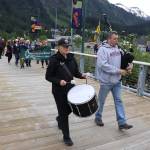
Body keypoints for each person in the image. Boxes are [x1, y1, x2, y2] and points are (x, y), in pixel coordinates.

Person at [45, 38, 86, 146]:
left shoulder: (71, 58)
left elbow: (76, 72)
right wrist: (59, 81)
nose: (67, 48)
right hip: (59, 91)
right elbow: (48, 76)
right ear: (58, 47)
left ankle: (59, 118)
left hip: (71, 88)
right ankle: (66, 137)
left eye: (68, 46)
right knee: (64, 113)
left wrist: (82, 75)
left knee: (71, 109)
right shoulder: (54, 60)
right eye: (64, 46)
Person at [95, 31, 133, 130]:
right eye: (115, 38)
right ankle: (98, 117)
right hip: (106, 81)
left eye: (117, 38)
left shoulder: (118, 48)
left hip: (117, 81)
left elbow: (126, 60)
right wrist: (119, 71)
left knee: (118, 101)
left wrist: (129, 66)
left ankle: (122, 122)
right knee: (101, 101)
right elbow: (103, 65)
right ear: (109, 39)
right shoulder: (102, 50)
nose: (117, 40)